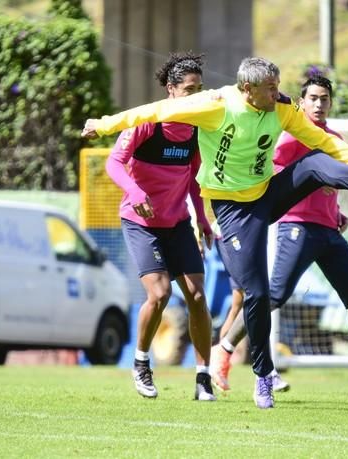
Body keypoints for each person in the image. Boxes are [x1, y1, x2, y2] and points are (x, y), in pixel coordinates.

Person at [82, 56, 348, 409]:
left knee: (314, 162)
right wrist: (106, 123)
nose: (278, 94)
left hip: (266, 194)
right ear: (247, 89)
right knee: (257, 294)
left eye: (278, 86)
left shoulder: (282, 108)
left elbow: (325, 142)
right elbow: (153, 111)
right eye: (270, 88)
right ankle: (263, 376)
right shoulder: (215, 105)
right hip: (232, 212)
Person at [211, 76, 348, 396]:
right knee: (272, 296)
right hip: (296, 227)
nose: (319, 104)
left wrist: (336, 212)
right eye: (313, 98)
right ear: (301, 103)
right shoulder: (289, 135)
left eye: (325, 99)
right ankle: (223, 351)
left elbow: (332, 181)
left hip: (329, 230)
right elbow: (271, 174)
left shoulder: (332, 137)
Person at [105, 52, 216, 401]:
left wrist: (202, 218)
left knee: (197, 296)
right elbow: (114, 162)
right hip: (141, 223)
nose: (196, 96)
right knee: (160, 293)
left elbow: (195, 180)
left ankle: (203, 378)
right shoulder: (147, 122)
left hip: (178, 223)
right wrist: (135, 191)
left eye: (200, 89)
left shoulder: (198, 130)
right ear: (170, 90)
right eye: (189, 90)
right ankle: (141, 364)